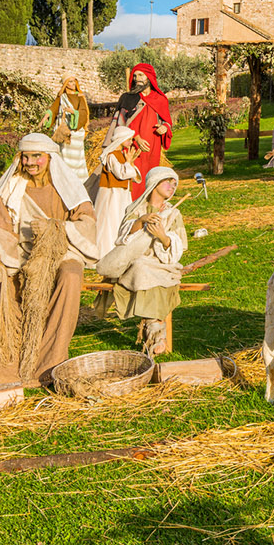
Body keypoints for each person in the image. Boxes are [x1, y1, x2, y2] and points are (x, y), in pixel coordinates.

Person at [0, 134, 98, 388]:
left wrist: (55, 228)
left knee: (71, 275)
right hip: (19, 251)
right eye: (25, 156)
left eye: (36, 156)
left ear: (50, 158)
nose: (30, 162)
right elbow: (1, 228)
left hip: (60, 251)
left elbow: (87, 225)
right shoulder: (13, 187)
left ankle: (50, 362)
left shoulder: (68, 187)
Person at [97, 166, 186, 355]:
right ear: (154, 184)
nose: (172, 186)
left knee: (154, 273)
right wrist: (142, 221)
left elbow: (179, 246)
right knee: (140, 267)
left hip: (161, 263)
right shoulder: (136, 210)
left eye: (174, 183)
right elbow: (122, 238)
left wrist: (163, 238)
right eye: (167, 182)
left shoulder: (173, 213)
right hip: (135, 262)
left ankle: (154, 329)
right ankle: (154, 329)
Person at [113, 63, 174, 197]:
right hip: (133, 146)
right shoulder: (128, 98)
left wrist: (165, 127)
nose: (136, 78)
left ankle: (147, 206)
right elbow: (121, 123)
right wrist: (136, 137)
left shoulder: (160, 99)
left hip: (153, 146)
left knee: (151, 176)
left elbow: (167, 121)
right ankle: (131, 208)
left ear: (150, 77)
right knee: (134, 177)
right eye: (134, 75)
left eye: (140, 75)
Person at [92, 126, 141, 257]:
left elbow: (133, 175)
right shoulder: (111, 156)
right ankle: (105, 252)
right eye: (129, 139)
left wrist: (130, 162)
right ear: (121, 139)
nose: (131, 142)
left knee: (121, 218)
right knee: (110, 219)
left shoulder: (123, 155)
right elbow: (121, 173)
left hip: (122, 194)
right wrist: (129, 163)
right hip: (112, 194)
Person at [49, 77, 91, 184]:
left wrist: (74, 112)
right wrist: (47, 116)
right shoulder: (61, 96)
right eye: (69, 82)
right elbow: (53, 109)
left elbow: (83, 112)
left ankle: (79, 182)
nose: (72, 84)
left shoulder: (80, 96)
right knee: (64, 155)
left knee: (78, 158)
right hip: (64, 131)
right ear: (65, 84)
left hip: (76, 131)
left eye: (73, 82)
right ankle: (65, 180)